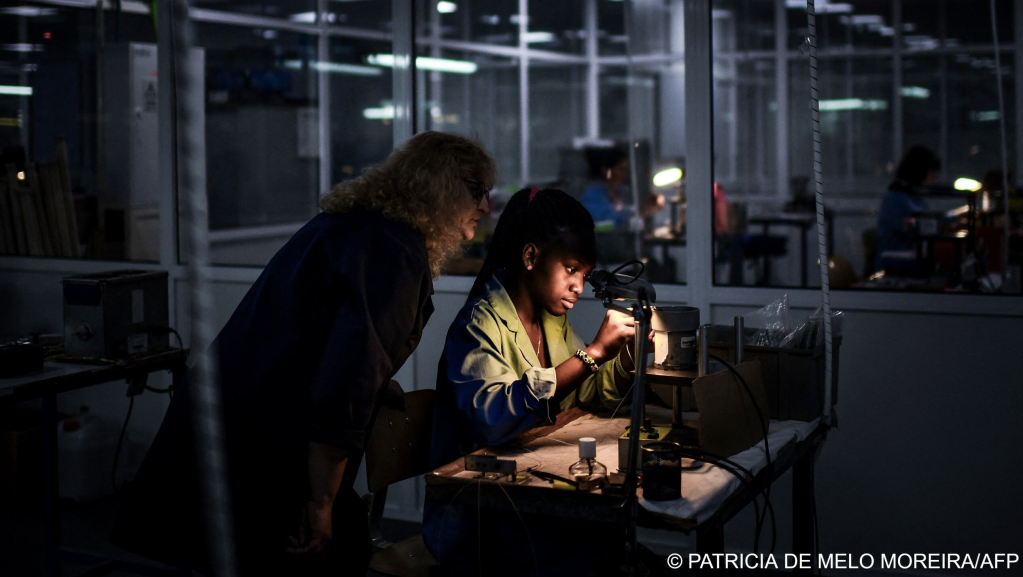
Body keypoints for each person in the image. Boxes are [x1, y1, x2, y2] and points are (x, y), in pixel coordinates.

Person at [110, 131, 497, 576]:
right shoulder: (393, 251)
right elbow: (343, 385)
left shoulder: (357, 226)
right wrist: (320, 501)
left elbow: (320, 338)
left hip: (237, 420)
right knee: (322, 551)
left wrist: (373, 384)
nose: (485, 206)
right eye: (476, 191)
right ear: (440, 187)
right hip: (260, 443)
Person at [423, 187, 641, 577]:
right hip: (480, 519)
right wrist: (591, 354)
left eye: (585, 275)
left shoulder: (551, 319)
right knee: (602, 557)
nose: (579, 285)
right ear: (530, 256)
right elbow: (491, 419)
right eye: (571, 269)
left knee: (615, 543)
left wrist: (627, 354)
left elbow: (585, 391)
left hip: (526, 506)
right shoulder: (479, 325)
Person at [875, 145, 941, 271]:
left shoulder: (916, 198)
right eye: (931, 172)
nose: (933, 177)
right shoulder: (895, 199)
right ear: (918, 171)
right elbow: (919, 227)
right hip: (894, 266)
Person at [581, 147, 664, 230]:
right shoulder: (592, 194)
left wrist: (645, 209)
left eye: (626, 170)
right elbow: (602, 223)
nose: (625, 174)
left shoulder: (620, 193)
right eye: (621, 169)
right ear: (606, 171)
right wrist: (638, 212)